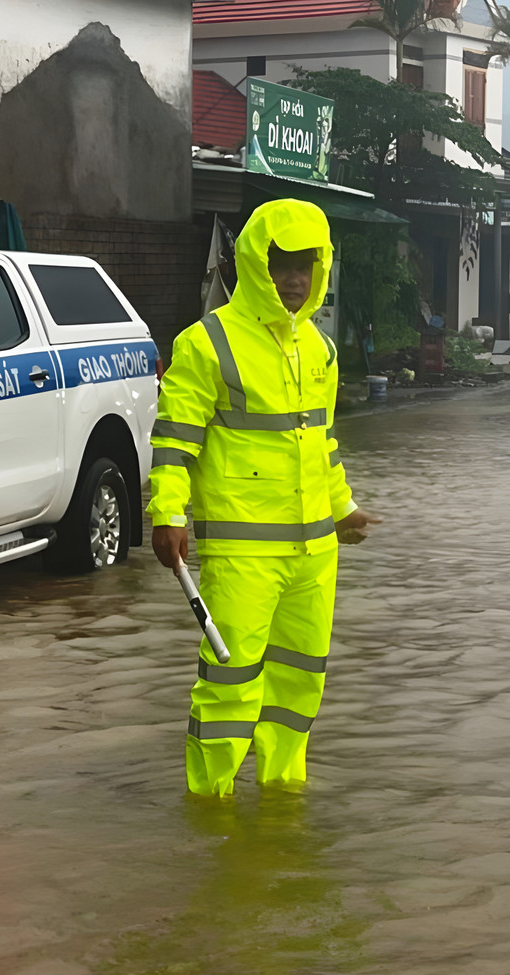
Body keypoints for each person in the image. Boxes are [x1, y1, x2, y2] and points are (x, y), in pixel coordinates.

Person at [147, 198, 380, 797]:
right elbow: (175, 444)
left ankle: (281, 800)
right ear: (254, 265)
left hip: (313, 553)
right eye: (283, 265)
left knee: (300, 681)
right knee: (230, 683)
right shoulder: (207, 344)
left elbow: (320, 444)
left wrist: (342, 508)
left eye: (306, 265)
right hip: (243, 552)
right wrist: (168, 515)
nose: (295, 279)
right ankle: (210, 803)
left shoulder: (319, 350)